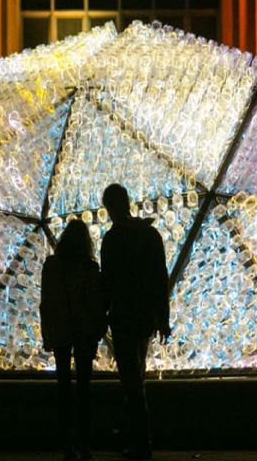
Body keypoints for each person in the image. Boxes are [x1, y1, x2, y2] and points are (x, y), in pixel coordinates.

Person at [100, 184, 171, 460]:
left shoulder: (113, 239)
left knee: (132, 380)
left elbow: (108, 284)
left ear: (108, 208)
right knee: (135, 375)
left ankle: (142, 441)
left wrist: (99, 318)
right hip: (145, 317)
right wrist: (162, 318)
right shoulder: (150, 235)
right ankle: (129, 432)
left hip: (123, 317)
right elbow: (160, 278)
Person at [40, 220, 107, 461]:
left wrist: (46, 332)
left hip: (60, 331)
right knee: (84, 388)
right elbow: (97, 302)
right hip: (84, 333)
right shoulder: (90, 267)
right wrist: (99, 329)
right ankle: (85, 444)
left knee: (64, 387)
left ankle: (67, 443)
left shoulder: (52, 265)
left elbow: (45, 301)